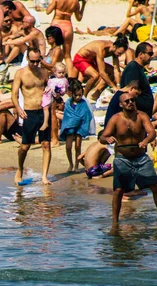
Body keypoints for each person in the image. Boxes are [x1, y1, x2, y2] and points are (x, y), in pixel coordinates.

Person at [100, 92, 157, 225]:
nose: (130, 103)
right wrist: (107, 139)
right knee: (118, 190)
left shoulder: (141, 116)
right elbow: (102, 137)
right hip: (122, 158)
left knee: (156, 186)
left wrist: (146, 141)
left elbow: (152, 132)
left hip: (141, 157)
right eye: (127, 101)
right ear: (121, 105)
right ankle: (115, 221)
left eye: (132, 100)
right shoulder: (115, 119)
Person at [12, 48, 51, 184]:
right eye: (32, 61)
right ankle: (20, 169)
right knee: (25, 146)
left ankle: (44, 176)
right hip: (29, 112)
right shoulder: (21, 73)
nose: (35, 64)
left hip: (43, 112)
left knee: (46, 144)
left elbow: (50, 88)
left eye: (37, 61)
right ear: (27, 59)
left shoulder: (44, 72)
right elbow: (14, 94)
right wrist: (18, 109)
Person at [71, 35, 128, 100]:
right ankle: (84, 96)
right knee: (95, 76)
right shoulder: (102, 49)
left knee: (112, 72)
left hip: (93, 60)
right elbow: (102, 73)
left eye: (121, 54)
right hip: (81, 59)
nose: (119, 55)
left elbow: (116, 70)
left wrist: (118, 85)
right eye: (119, 53)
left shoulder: (114, 51)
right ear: (114, 47)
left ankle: (95, 94)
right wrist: (113, 87)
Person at [60, 79, 94, 172]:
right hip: (69, 127)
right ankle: (70, 164)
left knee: (78, 146)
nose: (78, 97)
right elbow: (67, 116)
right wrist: (74, 120)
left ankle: (76, 165)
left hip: (80, 127)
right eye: (76, 95)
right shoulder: (68, 103)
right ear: (71, 94)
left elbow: (87, 115)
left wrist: (78, 120)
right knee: (68, 146)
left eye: (80, 95)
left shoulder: (83, 103)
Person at [46, 0, 87, 76]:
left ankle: (52, 72)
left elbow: (48, 11)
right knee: (67, 56)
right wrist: (83, 4)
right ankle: (71, 77)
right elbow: (79, 18)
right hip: (67, 25)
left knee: (54, 51)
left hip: (57, 24)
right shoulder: (75, 2)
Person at [120, 41, 154, 116]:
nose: (151, 57)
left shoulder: (139, 67)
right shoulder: (133, 68)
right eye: (150, 54)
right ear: (141, 54)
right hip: (138, 114)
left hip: (145, 111)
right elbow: (129, 92)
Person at [40, 62, 68, 132]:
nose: (61, 74)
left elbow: (62, 91)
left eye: (63, 73)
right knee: (48, 110)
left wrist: (56, 91)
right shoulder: (52, 79)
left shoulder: (62, 81)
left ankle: (45, 122)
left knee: (46, 108)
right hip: (48, 95)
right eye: (59, 73)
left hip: (53, 97)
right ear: (55, 72)